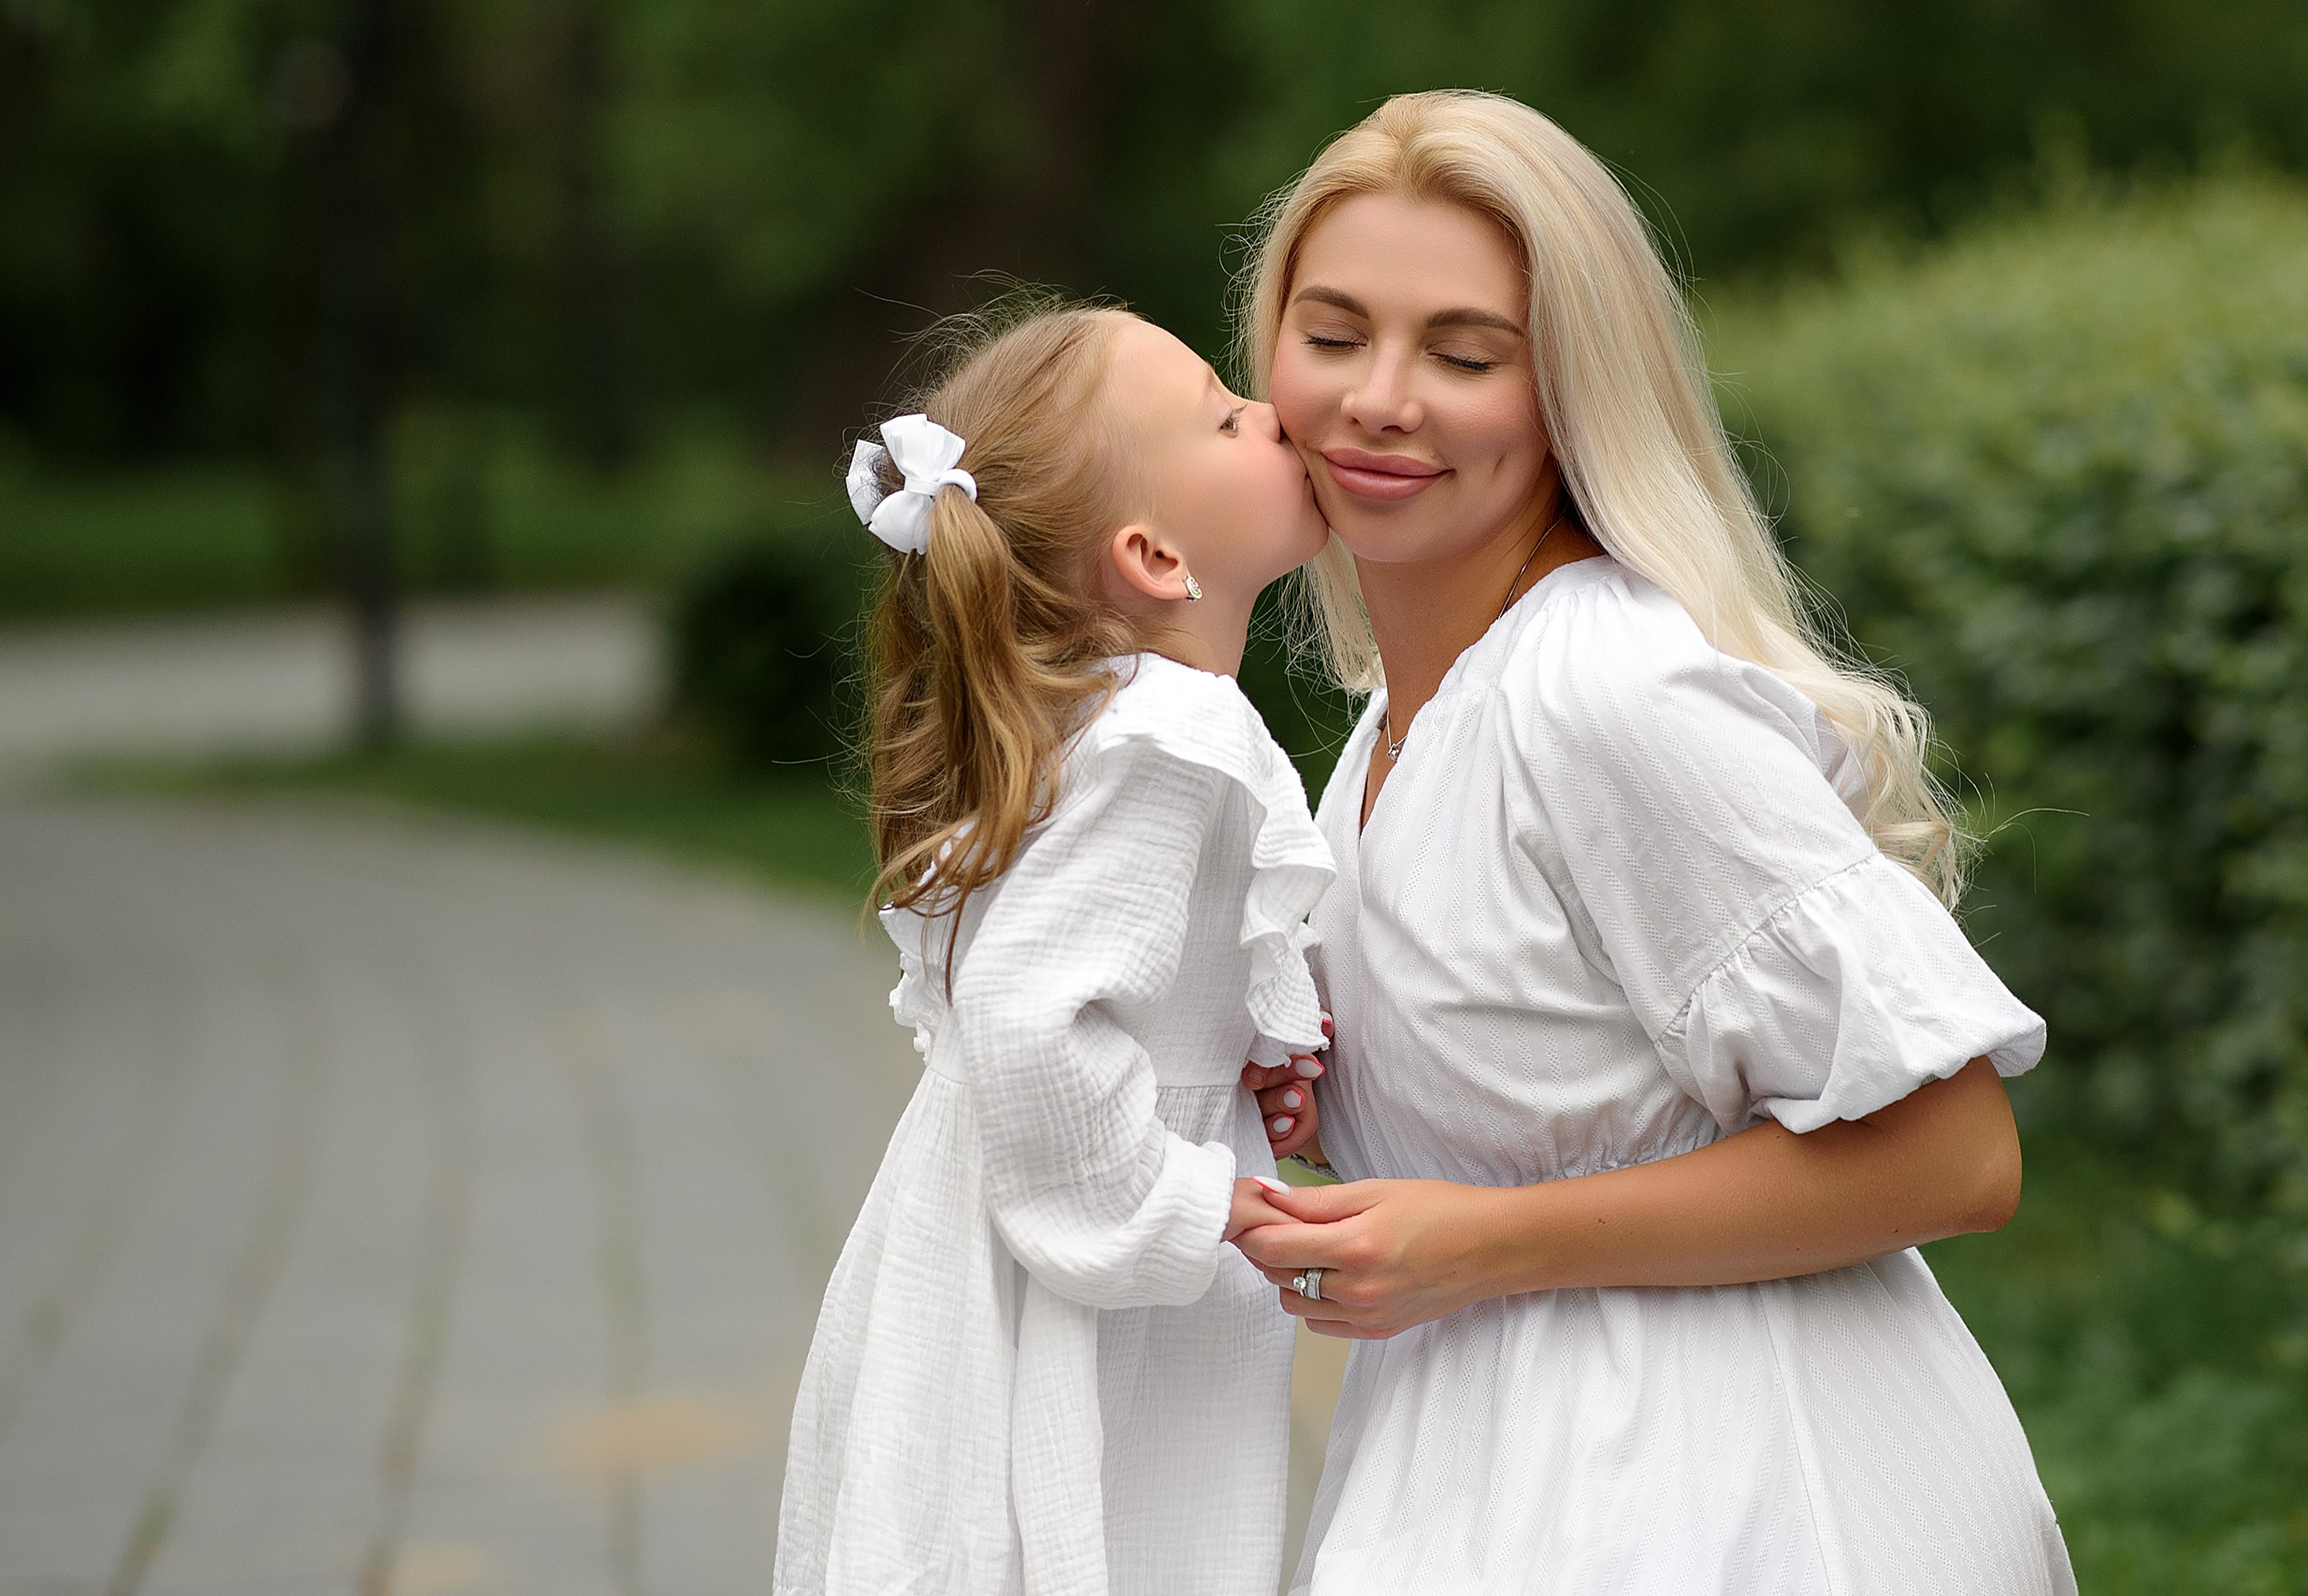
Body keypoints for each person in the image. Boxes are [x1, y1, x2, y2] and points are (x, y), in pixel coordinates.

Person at [1231, 92, 2076, 1593]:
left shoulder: (1605, 692)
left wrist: (1482, 1242)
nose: (1381, 399)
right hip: (1488, 1463)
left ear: (1571, 392)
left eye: (1466, 354)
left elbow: (1956, 1151)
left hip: (1731, 1491)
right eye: (1336, 333)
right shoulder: (1389, 726)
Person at [772, 305, 1334, 1596]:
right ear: (1151, 552)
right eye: (1223, 413)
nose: (1273, 414)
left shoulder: (1108, 727)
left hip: (1021, 1245)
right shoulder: (1171, 737)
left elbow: (1103, 980)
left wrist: (1252, 1048)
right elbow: (1029, 1018)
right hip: (1081, 1286)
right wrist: (1193, 1201)